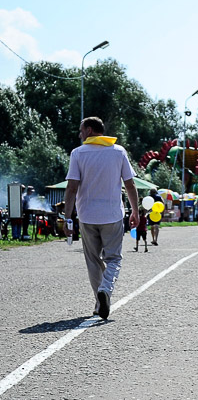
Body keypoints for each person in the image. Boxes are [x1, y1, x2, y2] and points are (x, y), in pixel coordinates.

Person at [63, 116, 140, 320]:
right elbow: (130, 184)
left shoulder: (78, 153)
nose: (80, 135)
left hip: (87, 216)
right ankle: (105, 290)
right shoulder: (118, 152)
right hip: (112, 215)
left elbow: (72, 188)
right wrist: (135, 211)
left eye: (81, 131)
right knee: (113, 258)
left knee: (93, 260)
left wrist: (67, 218)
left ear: (89, 130)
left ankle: (99, 303)